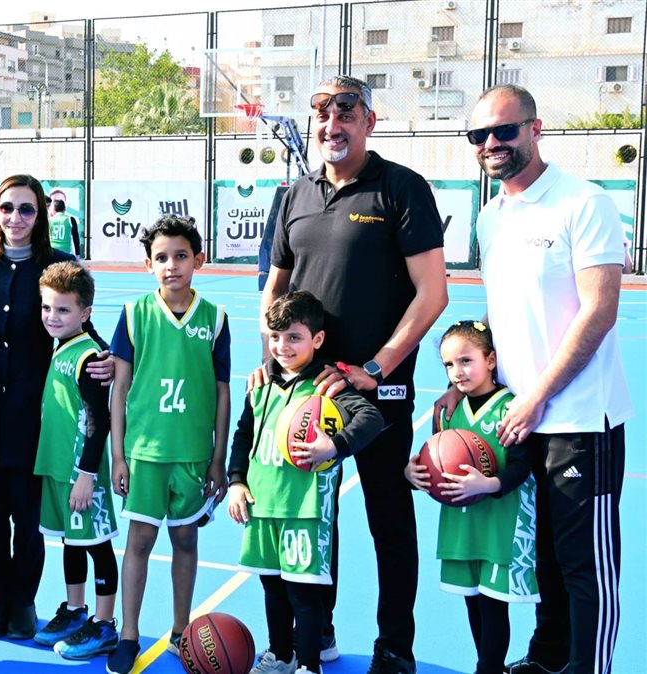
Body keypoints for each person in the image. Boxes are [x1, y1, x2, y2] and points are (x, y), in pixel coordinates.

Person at [258, 75, 448, 672]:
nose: (332, 123)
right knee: (314, 519)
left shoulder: (400, 188)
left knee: (389, 520)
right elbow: (275, 289)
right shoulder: (295, 195)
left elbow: (433, 293)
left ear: (369, 121)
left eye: (346, 111)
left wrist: (374, 367)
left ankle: (395, 648)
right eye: (322, 112)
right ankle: (319, 633)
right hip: (305, 392)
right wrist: (270, 363)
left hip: (375, 391)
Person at [443, 84, 631, 674]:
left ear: (535, 128)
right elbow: (502, 315)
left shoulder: (585, 202)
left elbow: (599, 311)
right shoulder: (491, 217)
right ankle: (549, 660)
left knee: (583, 565)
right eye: (479, 135)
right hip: (517, 420)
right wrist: (467, 383)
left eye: (504, 130)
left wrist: (538, 395)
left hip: (578, 419)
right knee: (542, 554)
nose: (491, 143)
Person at [0, 174, 110, 641]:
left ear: (41, 215)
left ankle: (24, 600)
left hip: (35, 417)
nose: (16, 217)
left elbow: (80, 322)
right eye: (6, 208)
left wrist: (105, 356)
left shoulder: (59, 263)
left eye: (26, 209)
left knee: (27, 519)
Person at [228, 290, 382, 674]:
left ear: (318, 339)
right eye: (275, 337)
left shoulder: (327, 385)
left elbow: (371, 419)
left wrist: (335, 445)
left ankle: (309, 665)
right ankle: (282, 654)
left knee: (304, 592)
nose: (282, 346)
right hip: (262, 504)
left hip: (305, 508)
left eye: (294, 337)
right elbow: (243, 435)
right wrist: (236, 482)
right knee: (272, 586)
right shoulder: (261, 383)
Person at [106, 215, 231, 674]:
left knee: (185, 539)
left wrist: (218, 458)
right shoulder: (134, 314)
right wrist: (118, 456)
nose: (171, 265)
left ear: (199, 259)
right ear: (148, 264)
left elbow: (222, 392)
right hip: (145, 453)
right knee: (139, 541)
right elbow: (119, 389)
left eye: (181, 256)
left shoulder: (215, 318)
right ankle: (129, 634)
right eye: (161, 257)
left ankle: (181, 630)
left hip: (193, 454)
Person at [407, 320, 536, 674]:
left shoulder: (511, 407)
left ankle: (488, 668)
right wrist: (412, 475)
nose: (457, 371)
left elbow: (522, 466)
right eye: (449, 365)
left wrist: (488, 484)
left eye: (466, 361)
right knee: (474, 602)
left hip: (501, 523)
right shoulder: (448, 413)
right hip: (462, 526)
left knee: (494, 605)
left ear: (490, 360)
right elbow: (435, 465)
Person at [32, 261, 120, 660]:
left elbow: (99, 421)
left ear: (85, 313)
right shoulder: (63, 344)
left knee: (97, 545)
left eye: (63, 309)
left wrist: (87, 474)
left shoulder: (89, 357)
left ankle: (104, 624)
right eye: (47, 307)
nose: (52, 316)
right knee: (71, 542)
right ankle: (74, 609)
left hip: (82, 472)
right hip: (56, 467)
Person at [47, 188, 81, 256]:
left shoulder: (49, 221)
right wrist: (78, 254)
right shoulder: (71, 219)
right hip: (67, 253)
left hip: (53, 252)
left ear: (54, 208)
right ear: (64, 208)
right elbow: (76, 238)